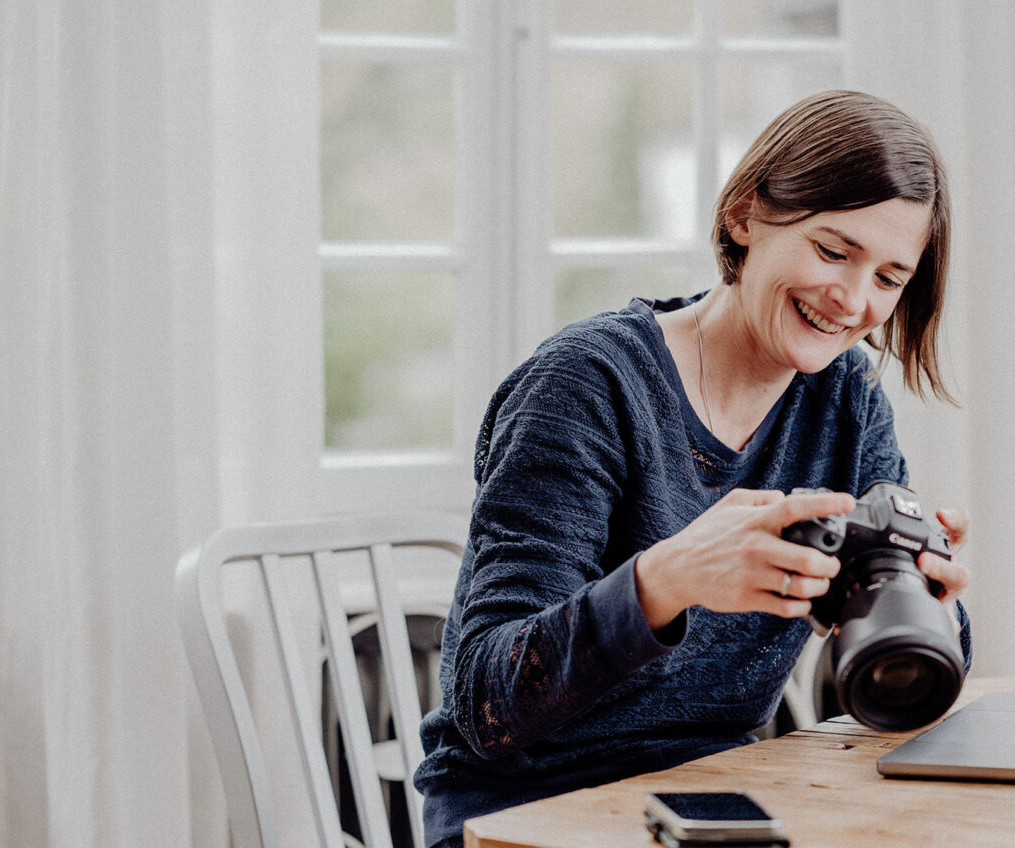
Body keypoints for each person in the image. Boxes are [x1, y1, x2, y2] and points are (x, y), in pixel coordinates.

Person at [413, 89, 972, 848]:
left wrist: (921, 596)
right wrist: (666, 579)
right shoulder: (588, 386)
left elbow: (896, 683)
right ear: (745, 216)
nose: (851, 300)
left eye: (888, 277)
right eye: (833, 251)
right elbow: (487, 703)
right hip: (529, 814)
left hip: (713, 803)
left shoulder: (845, 403)